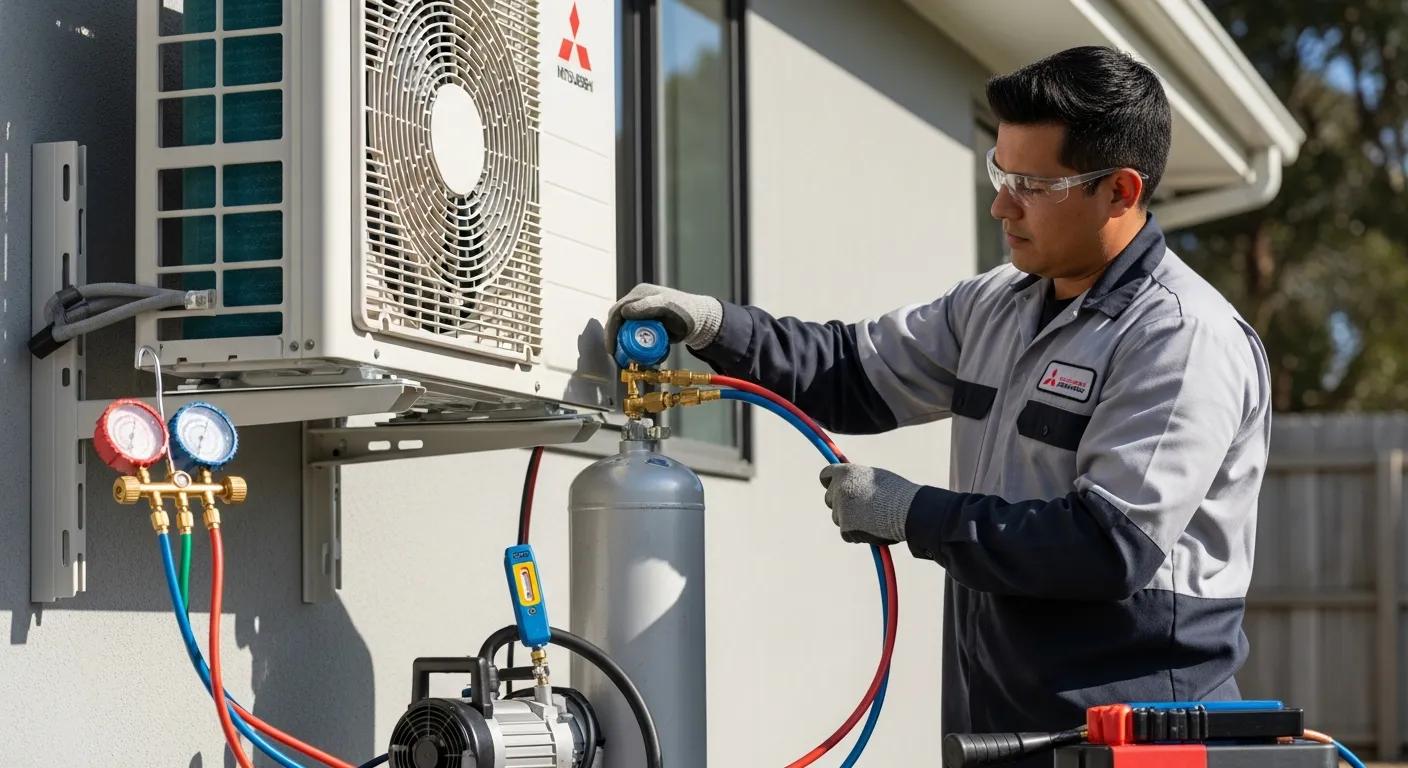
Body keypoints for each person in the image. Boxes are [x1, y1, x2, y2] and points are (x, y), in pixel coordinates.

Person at [606, 46, 1272, 761]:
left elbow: (1106, 547)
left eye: (1031, 184)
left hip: (1131, 735)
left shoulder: (1180, 337)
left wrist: (911, 512)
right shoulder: (995, 305)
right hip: (1001, 727)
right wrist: (714, 324)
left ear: (1120, 190)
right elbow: (848, 371)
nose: (1000, 203)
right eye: (998, 170)